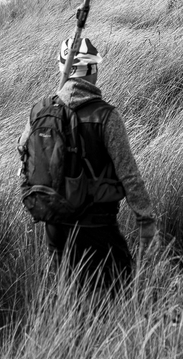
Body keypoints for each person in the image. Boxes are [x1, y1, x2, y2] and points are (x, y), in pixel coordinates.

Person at [18, 37, 160, 294]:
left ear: (62, 68)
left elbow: (22, 149)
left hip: (54, 225)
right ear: (93, 70)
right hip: (97, 228)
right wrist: (146, 219)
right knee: (120, 300)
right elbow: (129, 175)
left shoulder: (40, 111)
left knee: (69, 299)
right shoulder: (106, 116)